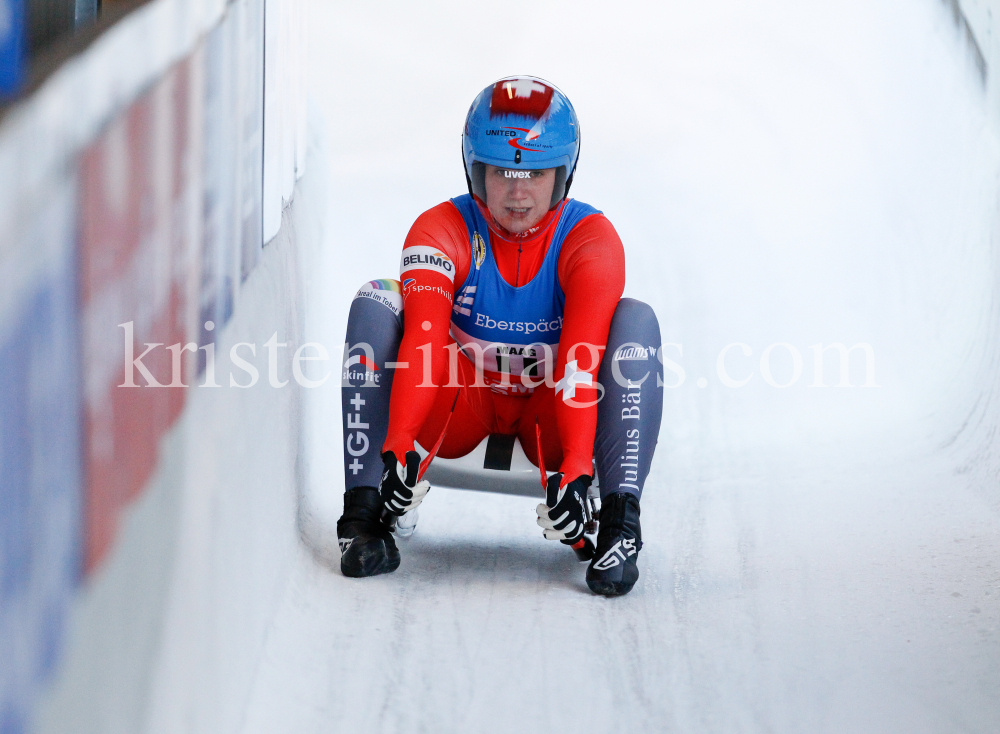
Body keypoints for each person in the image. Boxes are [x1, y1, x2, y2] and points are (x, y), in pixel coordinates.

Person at [337, 77, 662, 596]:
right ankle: (363, 515)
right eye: (501, 172)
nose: (517, 192)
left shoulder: (592, 240)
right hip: (459, 407)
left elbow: (580, 362)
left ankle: (620, 528)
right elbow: (424, 339)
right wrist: (399, 443)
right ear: (475, 171)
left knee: (635, 321)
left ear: (563, 175)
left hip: (551, 412)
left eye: (534, 173)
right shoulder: (440, 228)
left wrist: (578, 467)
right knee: (377, 298)